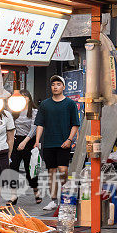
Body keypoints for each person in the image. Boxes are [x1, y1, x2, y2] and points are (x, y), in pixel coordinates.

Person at [34, 75, 81, 211]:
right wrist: (37, 141)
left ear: (64, 87)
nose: (55, 87)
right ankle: (53, 200)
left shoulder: (70, 104)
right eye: (53, 84)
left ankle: (65, 196)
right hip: (48, 143)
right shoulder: (45, 104)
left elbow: (75, 124)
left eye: (58, 84)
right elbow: (40, 124)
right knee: (51, 172)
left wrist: (69, 139)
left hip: (64, 143)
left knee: (63, 170)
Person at [10, 90, 41, 204]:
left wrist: (25, 142)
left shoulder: (34, 111)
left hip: (29, 140)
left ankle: (36, 192)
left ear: (29, 98)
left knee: (30, 170)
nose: (23, 99)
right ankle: (13, 196)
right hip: (16, 140)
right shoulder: (13, 110)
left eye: (25, 97)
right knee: (13, 168)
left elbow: (34, 128)